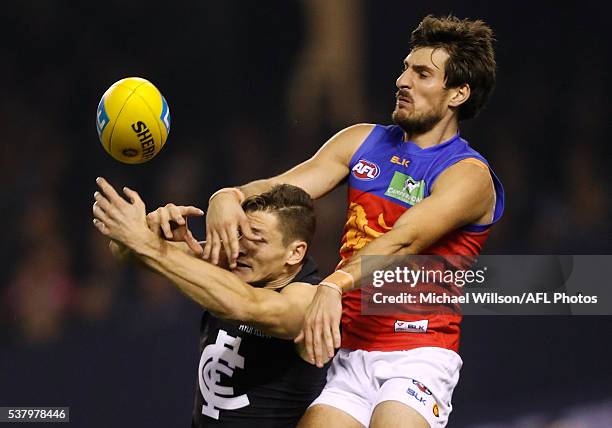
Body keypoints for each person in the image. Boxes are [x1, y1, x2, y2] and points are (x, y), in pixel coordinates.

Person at [202, 15, 505, 428]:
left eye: (422, 74)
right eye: (404, 68)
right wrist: (229, 196)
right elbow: (279, 188)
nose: (402, 80)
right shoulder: (362, 140)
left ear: (458, 93)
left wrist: (333, 284)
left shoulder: (468, 174)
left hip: (418, 353)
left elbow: (403, 241)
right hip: (351, 355)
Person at [92, 181, 330, 427]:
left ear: (295, 253)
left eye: (256, 239)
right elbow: (125, 252)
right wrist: (153, 233)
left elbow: (246, 305)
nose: (240, 247)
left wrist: (150, 245)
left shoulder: (311, 300)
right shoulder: (229, 260)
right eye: (239, 232)